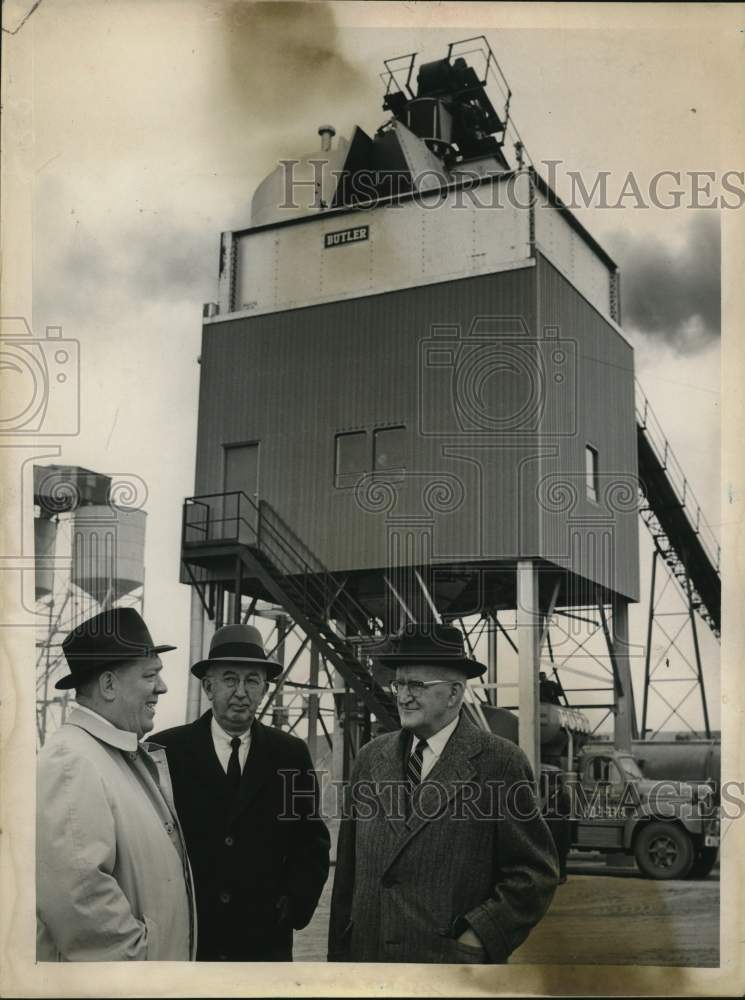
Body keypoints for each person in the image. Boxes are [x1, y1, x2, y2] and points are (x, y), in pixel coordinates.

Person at [328, 622, 559, 964]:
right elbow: (347, 876)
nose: (403, 696)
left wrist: (480, 934)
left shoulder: (500, 763)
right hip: (369, 965)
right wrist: (339, 961)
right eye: (399, 683)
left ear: (453, 694)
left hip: (448, 967)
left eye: (417, 685)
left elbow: (535, 873)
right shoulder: (369, 758)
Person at [152, 623, 330, 961]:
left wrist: (292, 904)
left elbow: (312, 840)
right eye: (230, 679)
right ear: (208, 686)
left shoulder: (291, 754)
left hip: (264, 943)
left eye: (252, 681)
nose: (241, 692)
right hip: (189, 939)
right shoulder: (166, 750)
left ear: (264, 689)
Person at [36, 607, 196, 961]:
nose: (162, 687)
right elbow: (80, 902)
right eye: (149, 675)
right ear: (109, 685)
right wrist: (141, 962)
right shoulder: (72, 762)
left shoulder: (114, 755)